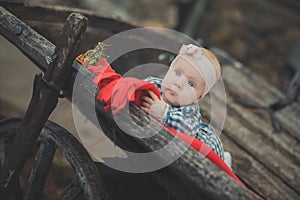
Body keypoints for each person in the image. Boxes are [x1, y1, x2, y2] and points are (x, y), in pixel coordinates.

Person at [140, 44, 224, 159]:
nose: (178, 83)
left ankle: (225, 158)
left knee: (211, 155)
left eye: (191, 84)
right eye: (177, 73)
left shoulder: (190, 110)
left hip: (201, 149)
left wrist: (165, 114)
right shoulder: (154, 84)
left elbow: (188, 130)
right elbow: (135, 88)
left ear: (198, 97)